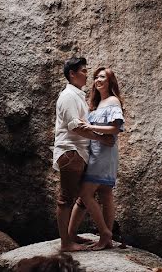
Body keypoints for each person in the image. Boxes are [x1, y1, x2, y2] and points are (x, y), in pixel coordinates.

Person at [53, 57, 115, 252]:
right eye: (83, 71)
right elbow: (75, 127)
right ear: (72, 74)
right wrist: (101, 138)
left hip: (78, 153)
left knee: (84, 195)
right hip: (71, 152)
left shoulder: (77, 95)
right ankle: (65, 244)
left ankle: (72, 236)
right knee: (65, 199)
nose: (87, 75)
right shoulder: (68, 96)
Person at [68, 67, 125, 251]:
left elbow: (116, 129)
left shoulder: (112, 101)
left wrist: (92, 126)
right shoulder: (96, 103)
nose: (97, 80)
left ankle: (105, 234)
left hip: (104, 153)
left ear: (110, 81)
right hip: (97, 150)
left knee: (85, 194)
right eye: (95, 77)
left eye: (102, 77)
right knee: (106, 195)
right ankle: (106, 238)